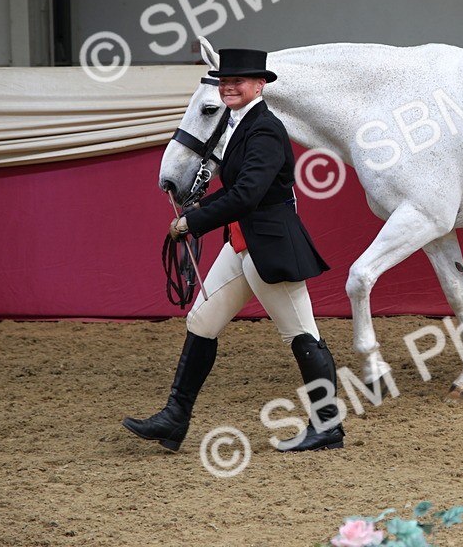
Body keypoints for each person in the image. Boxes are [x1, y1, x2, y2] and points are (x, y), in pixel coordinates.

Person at [122, 48, 344, 452]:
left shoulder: (265, 129)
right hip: (242, 243)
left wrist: (193, 221)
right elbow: (235, 192)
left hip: (270, 245)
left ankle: (328, 426)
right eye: (224, 82)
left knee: (302, 335)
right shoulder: (240, 125)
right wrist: (198, 208)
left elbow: (247, 194)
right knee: (202, 322)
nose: (229, 87)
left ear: (259, 85)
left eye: (238, 81)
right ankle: (174, 420)